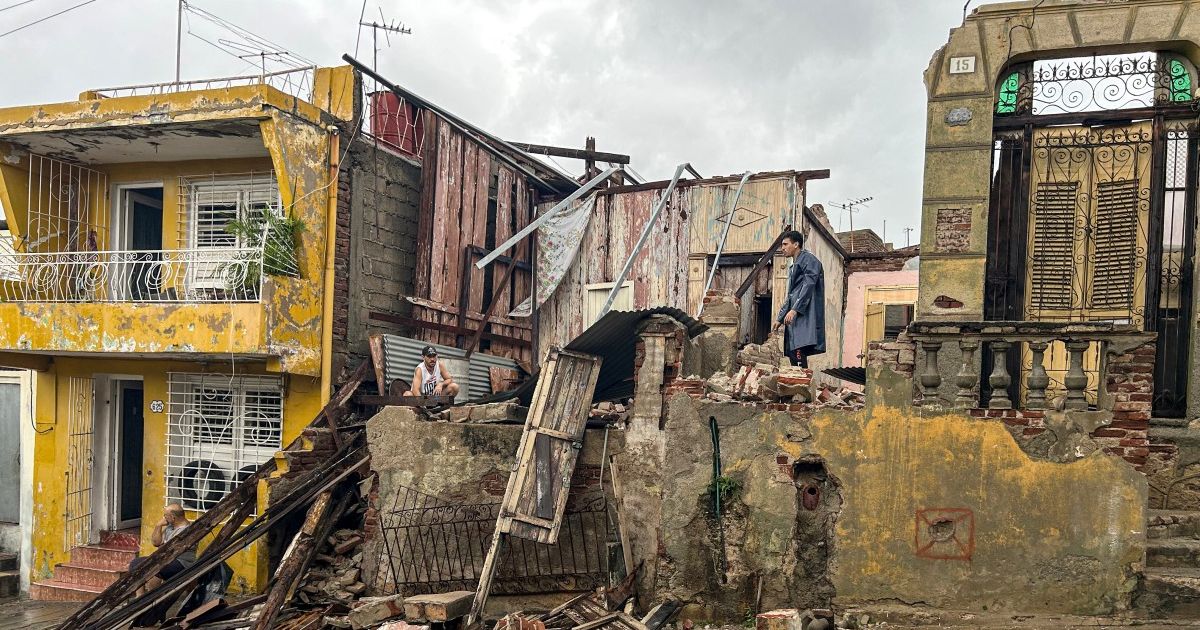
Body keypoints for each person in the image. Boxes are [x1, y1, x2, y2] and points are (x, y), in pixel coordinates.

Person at [774, 229, 826, 368]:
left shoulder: (809, 260)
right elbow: (791, 294)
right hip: (795, 316)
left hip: (804, 315)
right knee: (793, 351)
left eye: (785, 244)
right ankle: (798, 385)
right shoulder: (793, 266)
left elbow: (809, 286)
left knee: (798, 350)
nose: (782, 248)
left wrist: (795, 310)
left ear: (796, 244)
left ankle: (802, 386)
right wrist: (780, 318)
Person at [129, 503, 198, 594]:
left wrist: (162, 548)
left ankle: (153, 597)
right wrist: (158, 526)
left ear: (173, 517)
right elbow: (156, 543)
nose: (164, 518)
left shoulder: (187, 530)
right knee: (135, 563)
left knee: (153, 567)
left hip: (181, 563)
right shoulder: (170, 526)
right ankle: (140, 597)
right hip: (166, 559)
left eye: (165, 515)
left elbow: (169, 550)